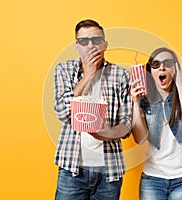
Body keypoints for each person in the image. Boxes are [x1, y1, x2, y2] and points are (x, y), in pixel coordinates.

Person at [53, 19, 132, 200]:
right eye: (84, 41)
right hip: (72, 168)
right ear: (77, 46)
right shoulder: (64, 70)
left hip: (109, 171)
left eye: (96, 40)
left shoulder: (121, 75)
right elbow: (62, 113)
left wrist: (108, 133)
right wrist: (88, 75)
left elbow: (127, 123)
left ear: (105, 44)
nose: (91, 46)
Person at [131, 47, 182, 200]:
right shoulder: (145, 100)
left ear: (175, 69)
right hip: (153, 177)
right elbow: (140, 139)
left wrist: (180, 86)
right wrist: (136, 104)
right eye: (156, 65)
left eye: (167, 63)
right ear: (150, 72)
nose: (162, 67)